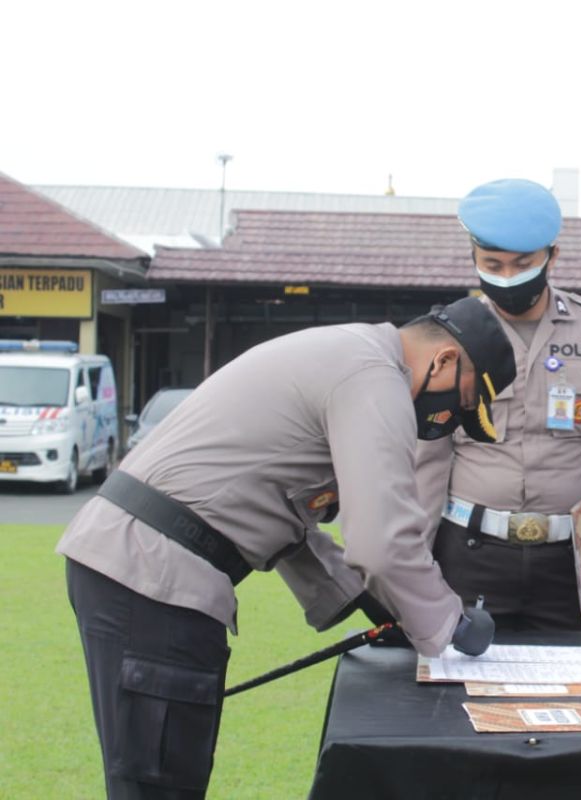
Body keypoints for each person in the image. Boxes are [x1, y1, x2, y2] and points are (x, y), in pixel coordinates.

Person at [57, 297, 516, 799]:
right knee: (158, 784)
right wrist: (450, 625)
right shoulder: (373, 376)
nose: (451, 418)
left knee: (158, 776)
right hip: (152, 575)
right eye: (464, 401)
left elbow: (287, 515)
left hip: (134, 564)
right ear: (445, 360)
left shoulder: (349, 352)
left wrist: (372, 604)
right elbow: (384, 542)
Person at [416, 178, 581, 632]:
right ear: (474, 259)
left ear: (552, 256)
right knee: (462, 697)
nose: (507, 276)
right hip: (467, 555)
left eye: (523, 263)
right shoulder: (446, 335)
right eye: (493, 264)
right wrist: (414, 560)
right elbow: (427, 457)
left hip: (570, 565)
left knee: (568, 697)